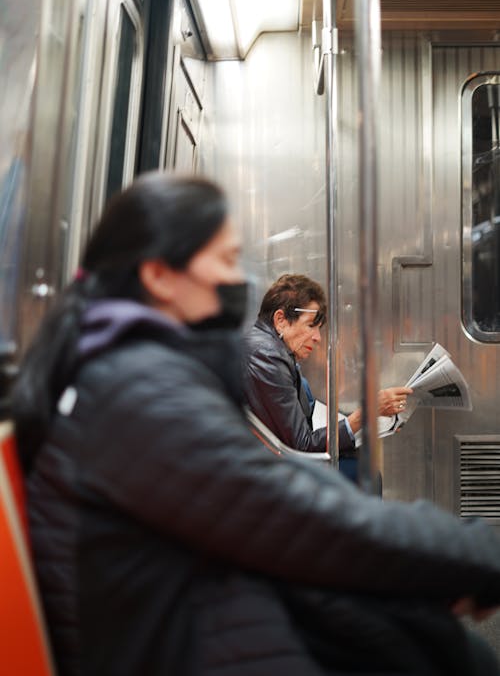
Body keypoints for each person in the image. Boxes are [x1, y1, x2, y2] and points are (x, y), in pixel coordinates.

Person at [12, 172, 500, 676]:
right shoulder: (133, 389)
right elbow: (282, 509)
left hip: (188, 593)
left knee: (415, 633)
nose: (236, 281)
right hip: (175, 634)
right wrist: (471, 552)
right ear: (159, 275)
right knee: (439, 650)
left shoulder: (124, 368)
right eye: (224, 260)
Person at [243, 273, 413, 480]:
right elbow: (302, 444)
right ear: (281, 320)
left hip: (278, 457)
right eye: (310, 325)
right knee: (366, 475)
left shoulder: (274, 351)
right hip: (271, 466)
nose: (317, 338)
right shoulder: (268, 355)